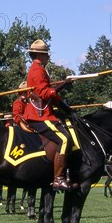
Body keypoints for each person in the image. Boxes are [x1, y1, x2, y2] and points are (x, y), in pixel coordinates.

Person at [22, 39, 73, 191]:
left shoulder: (40, 69)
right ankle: (58, 178)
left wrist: (67, 108)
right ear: (39, 54)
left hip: (44, 112)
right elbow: (45, 94)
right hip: (40, 115)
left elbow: (51, 95)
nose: (48, 57)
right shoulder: (38, 71)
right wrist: (64, 83)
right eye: (46, 54)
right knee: (65, 139)